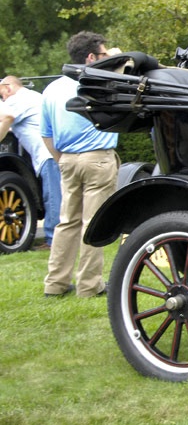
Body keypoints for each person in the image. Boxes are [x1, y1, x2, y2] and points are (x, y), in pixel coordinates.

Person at [40, 32, 120, 298]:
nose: (106, 58)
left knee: (66, 223)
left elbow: (46, 133)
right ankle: (89, 285)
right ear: (90, 57)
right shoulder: (99, 83)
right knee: (92, 223)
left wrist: (60, 159)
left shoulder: (51, 88)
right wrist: (115, 57)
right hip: (97, 158)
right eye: (102, 54)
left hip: (67, 161)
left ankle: (55, 283)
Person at [0, 76, 61, 248]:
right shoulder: (33, 96)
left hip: (47, 155)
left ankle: (53, 240)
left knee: (53, 197)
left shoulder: (17, 100)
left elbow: (6, 117)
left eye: (2, 95)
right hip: (53, 153)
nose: (3, 99)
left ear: (9, 88)